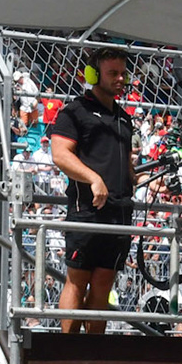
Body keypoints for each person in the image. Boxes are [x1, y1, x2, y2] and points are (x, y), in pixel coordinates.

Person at [48, 46, 135, 334]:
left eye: (123, 73)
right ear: (93, 74)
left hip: (119, 211)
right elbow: (60, 154)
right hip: (87, 210)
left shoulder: (125, 118)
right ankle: (66, 355)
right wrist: (93, 178)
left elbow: (121, 164)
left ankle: (92, 356)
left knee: (103, 282)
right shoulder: (75, 112)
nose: (120, 79)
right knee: (77, 280)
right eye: (113, 73)